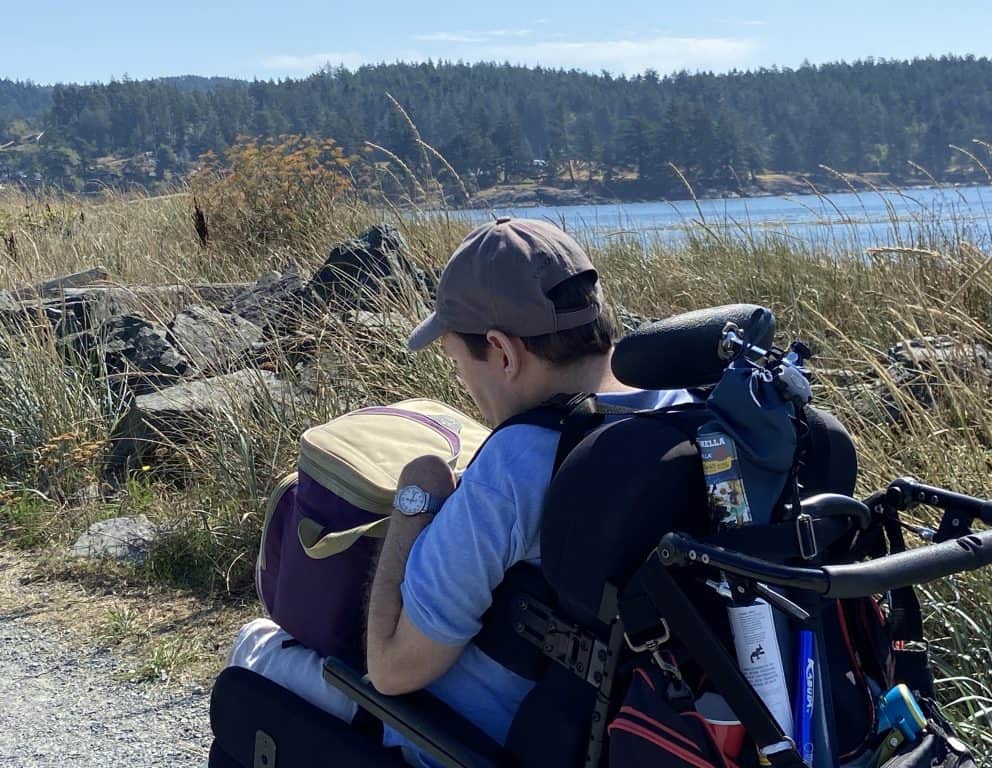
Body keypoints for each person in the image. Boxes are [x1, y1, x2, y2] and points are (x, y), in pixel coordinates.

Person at [227, 217, 693, 766]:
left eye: (458, 361)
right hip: (623, 725)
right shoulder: (680, 409)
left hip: (457, 740)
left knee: (254, 648)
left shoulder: (516, 465)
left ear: (502, 352)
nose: (466, 387)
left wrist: (417, 496)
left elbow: (391, 669)